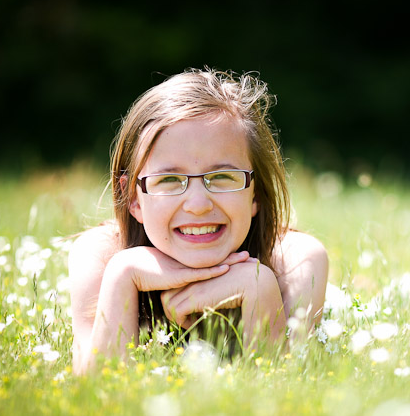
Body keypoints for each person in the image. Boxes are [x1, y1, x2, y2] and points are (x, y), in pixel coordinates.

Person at [69, 69, 328, 374]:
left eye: (221, 177)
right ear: (134, 199)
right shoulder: (100, 255)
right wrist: (123, 275)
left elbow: (286, 395)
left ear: (255, 192)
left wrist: (260, 289)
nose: (198, 205)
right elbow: (98, 396)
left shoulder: (295, 261)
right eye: (169, 179)